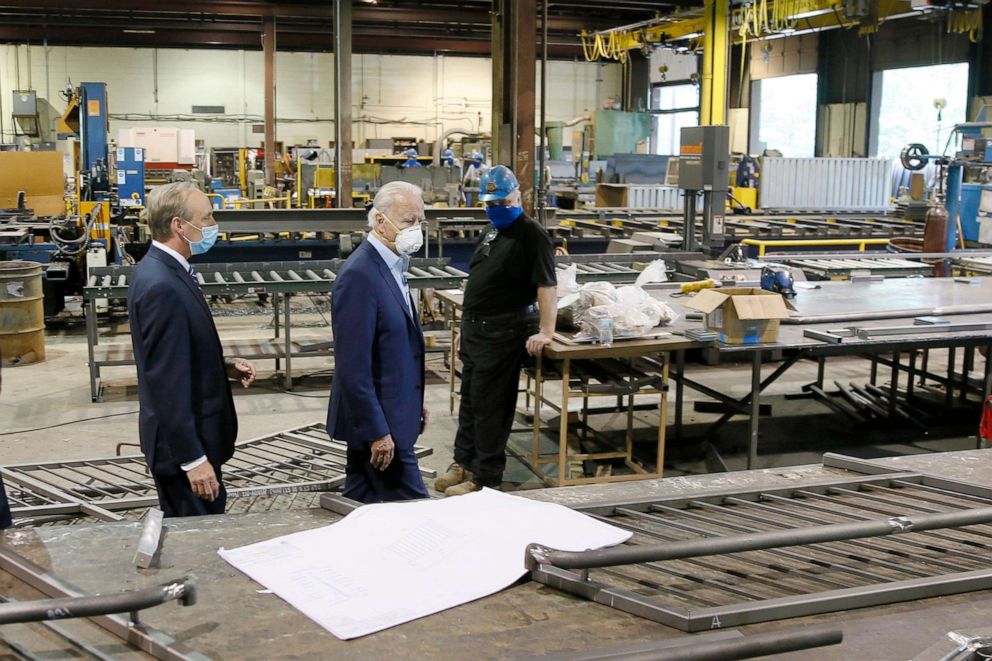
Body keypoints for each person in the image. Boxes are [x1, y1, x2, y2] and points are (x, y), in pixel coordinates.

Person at [128, 182, 256, 518]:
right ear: (179, 226)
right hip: (184, 453)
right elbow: (166, 383)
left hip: (192, 445)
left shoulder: (168, 271)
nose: (214, 226)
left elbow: (176, 354)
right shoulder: (161, 285)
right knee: (196, 542)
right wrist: (193, 460)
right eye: (207, 218)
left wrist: (221, 366)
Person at [438, 166, 557, 496]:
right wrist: (468, 324)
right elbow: (480, 281)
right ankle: (463, 462)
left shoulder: (532, 235)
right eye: (490, 204)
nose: (496, 209)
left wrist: (546, 330)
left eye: (502, 202)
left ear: (519, 197)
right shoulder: (491, 232)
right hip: (476, 330)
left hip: (504, 333)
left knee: (492, 408)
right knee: (470, 402)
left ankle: (485, 478)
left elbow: (547, 286)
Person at [326, 181, 430, 503]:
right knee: (419, 513)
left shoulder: (394, 264)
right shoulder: (361, 275)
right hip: (381, 427)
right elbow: (353, 367)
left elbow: (395, 347)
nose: (417, 230)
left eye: (421, 222)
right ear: (381, 221)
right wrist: (377, 432)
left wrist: (413, 400)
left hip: (393, 413)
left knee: (362, 503)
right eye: (409, 221)